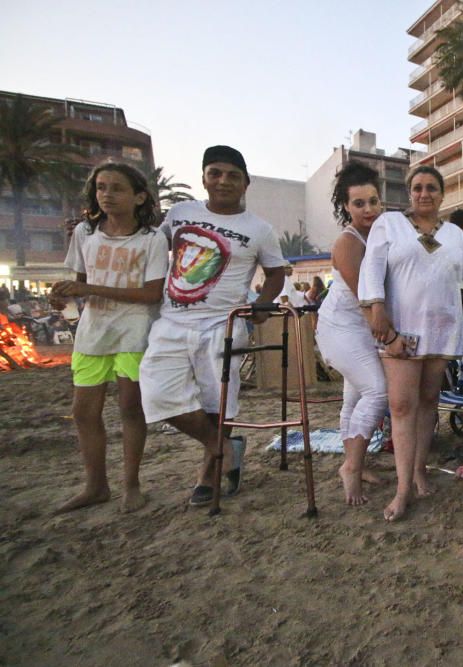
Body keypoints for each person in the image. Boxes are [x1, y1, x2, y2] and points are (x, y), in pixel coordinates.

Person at [359, 165, 463, 521]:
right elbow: (372, 268)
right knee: (401, 407)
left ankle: (418, 471)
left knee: (428, 403)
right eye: (417, 188)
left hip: (441, 330)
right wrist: (377, 309)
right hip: (401, 331)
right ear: (409, 193)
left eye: (431, 188)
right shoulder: (389, 224)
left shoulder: (455, 234)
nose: (424, 194)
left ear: (442, 195)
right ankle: (402, 488)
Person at [139, 146, 286, 507]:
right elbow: (146, 244)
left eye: (233, 175)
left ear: (245, 183)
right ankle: (222, 447)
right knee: (157, 395)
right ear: (204, 177)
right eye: (215, 173)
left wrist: (262, 306)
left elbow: (276, 273)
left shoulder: (259, 229)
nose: (223, 181)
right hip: (171, 319)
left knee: (218, 400)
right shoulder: (179, 213)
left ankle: (210, 470)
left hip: (225, 322)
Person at [49, 162, 169, 514]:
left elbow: (151, 294)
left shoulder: (151, 239)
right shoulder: (86, 234)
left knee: (131, 408)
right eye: (101, 187)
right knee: (84, 412)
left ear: (139, 197)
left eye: (117, 188)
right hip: (92, 330)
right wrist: (65, 296)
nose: (107, 195)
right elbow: (81, 280)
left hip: (134, 330)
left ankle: (131, 483)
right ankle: (96, 485)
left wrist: (88, 287)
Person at [315, 161, 388, 506]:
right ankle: (351, 467)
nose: (369, 209)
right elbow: (365, 296)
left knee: (354, 398)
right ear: (346, 206)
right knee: (378, 391)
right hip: (341, 328)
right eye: (359, 203)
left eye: (373, 201)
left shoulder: (380, 232)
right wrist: (388, 334)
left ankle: (355, 464)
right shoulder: (348, 241)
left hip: (359, 328)